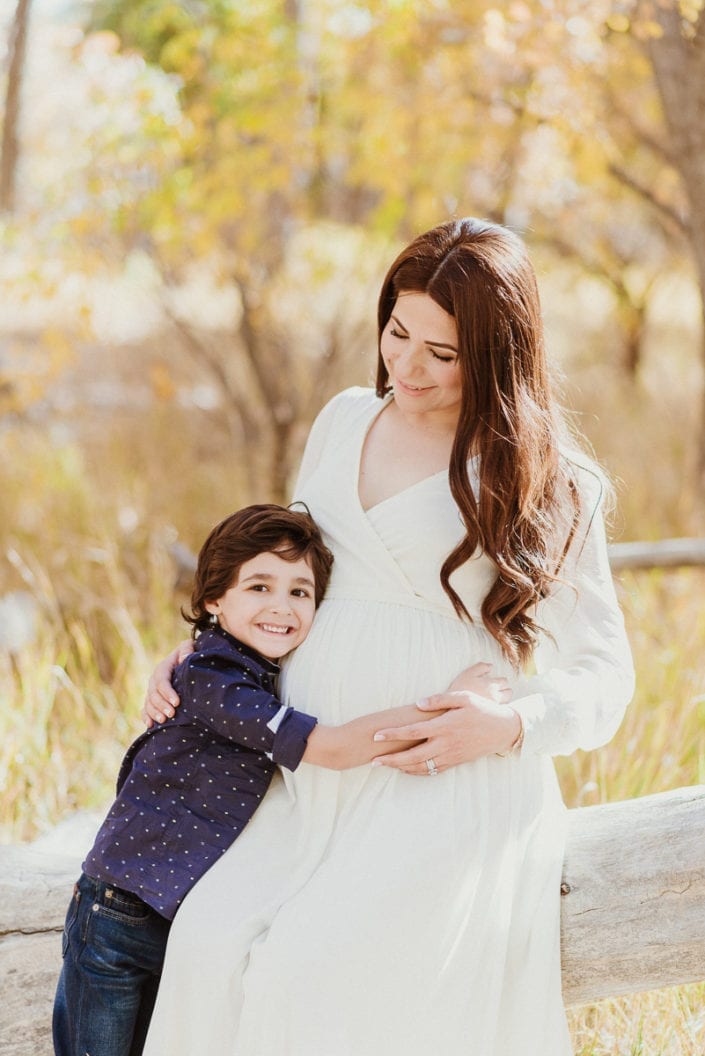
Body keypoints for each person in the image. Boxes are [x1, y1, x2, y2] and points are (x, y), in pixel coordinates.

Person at [141, 217, 635, 1056]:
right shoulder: (342, 420)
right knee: (206, 947)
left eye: (440, 354)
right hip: (307, 776)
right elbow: (285, 576)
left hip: (440, 782)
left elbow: (606, 672)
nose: (405, 366)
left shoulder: (546, 476)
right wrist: (209, 645)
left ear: (494, 357)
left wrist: (512, 722)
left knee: (311, 975)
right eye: (397, 332)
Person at [54, 502, 509, 1056]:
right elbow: (336, 748)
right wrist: (447, 707)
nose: (281, 606)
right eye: (259, 587)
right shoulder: (215, 680)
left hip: (172, 913)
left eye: (300, 592)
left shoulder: (254, 670)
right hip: (117, 915)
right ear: (213, 600)